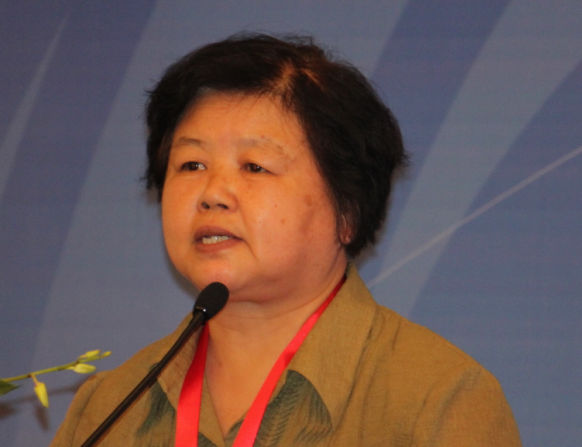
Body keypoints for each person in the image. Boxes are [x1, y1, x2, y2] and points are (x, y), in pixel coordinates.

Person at [51, 33, 521, 446]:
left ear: (347, 210)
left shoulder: (436, 400)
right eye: (191, 165)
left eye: (254, 166)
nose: (212, 193)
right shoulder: (108, 410)